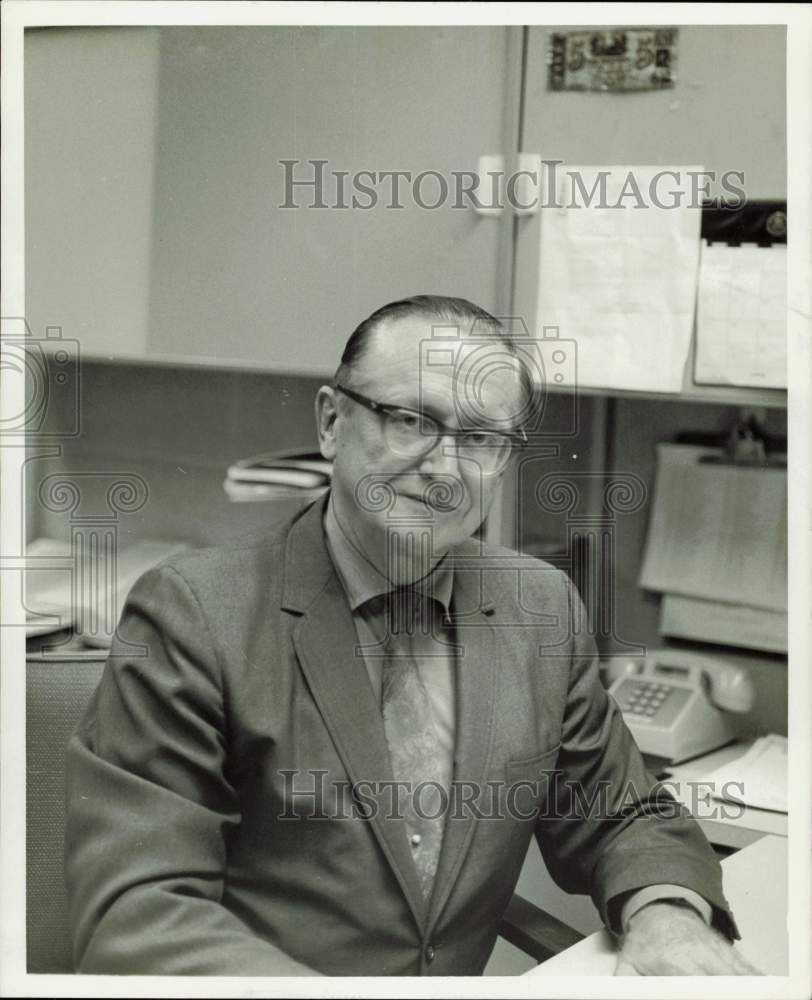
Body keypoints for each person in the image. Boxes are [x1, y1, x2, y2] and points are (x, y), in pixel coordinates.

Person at [65, 295, 757, 977]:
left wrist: (665, 913)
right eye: (410, 420)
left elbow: (618, 811)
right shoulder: (194, 614)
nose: (444, 467)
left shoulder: (538, 608)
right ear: (332, 421)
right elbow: (141, 910)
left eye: (481, 439)